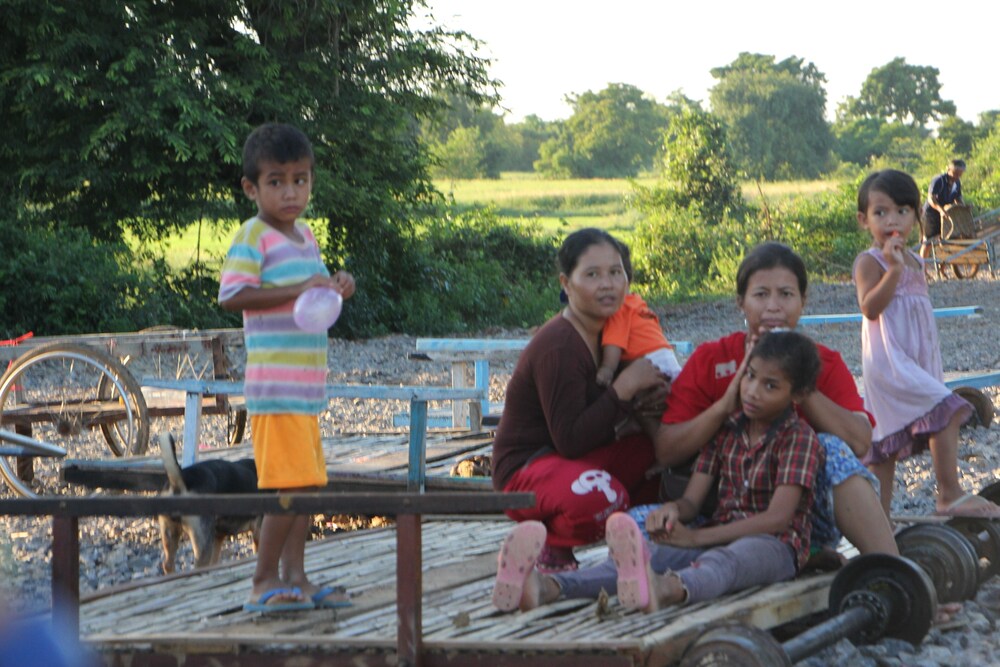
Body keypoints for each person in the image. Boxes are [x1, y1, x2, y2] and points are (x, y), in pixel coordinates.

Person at [493, 331, 823, 612]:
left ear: (798, 395)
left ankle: (665, 590)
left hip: (774, 546)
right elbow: (691, 502)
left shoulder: (798, 438)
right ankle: (548, 586)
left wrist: (695, 537)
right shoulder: (727, 431)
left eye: (770, 386)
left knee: (726, 562)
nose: (752, 391)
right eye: (749, 376)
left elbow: (777, 519)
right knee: (649, 555)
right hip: (717, 534)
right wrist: (672, 511)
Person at [652, 242, 899, 559]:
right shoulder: (711, 359)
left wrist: (796, 378)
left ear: (802, 301)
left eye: (785, 294)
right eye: (760, 295)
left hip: (800, 518)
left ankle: (892, 568)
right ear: (741, 302)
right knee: (638, 524)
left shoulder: (824, 362)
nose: (773, 307)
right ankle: (805, 559)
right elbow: (667, 451)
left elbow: (860, 442)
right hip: (715, 511)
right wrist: (725, 406)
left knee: (831, 448)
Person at [218, 122, 356, 612]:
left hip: (306, 389)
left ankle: (297, 579)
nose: (291, 192)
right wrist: (298, 289)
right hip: (275, 389)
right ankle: (262, 582)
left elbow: (311, 297)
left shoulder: (305, 237)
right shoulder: (253, 236)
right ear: (251, 188)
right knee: (288, 487)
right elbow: (232, 295)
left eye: (300, 180)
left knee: (309, 487)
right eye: (276, 182)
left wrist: (337, 285)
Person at [491, 228, 670, 574]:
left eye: (616, 272)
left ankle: (638, 544)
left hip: (574, 459)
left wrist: (648, 398)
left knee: (663, 463)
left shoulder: (612, 334)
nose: (608, 285)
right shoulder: (560, 345)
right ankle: (549, 543)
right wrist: (624, 389)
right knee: (604, 499)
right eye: (592, 275)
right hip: (527, 468)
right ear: (566, 283)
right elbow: (570, 439)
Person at [853, 169, 1000, 519]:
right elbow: (870, 308)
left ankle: (879, 520)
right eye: (881, 212)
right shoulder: (869, 262)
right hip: (889, 362)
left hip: (916, 360)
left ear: (916, 216)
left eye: (902, 211)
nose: (893, 220)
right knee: (942, 409)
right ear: (864, 220)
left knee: (888, 441)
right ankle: (949, 493)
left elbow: (917, 315)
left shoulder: (917, 261)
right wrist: (892, 270)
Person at [596, 242, 683, 388]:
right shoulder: (636, 302)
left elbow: (614, 344)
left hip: (649, 362)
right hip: (667, 358)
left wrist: (607, 369)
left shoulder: (618, 308)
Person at [920, 159, 966, 260]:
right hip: (931, 213)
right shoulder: (939, 180)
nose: (957, 176)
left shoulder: (957, 182)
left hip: (945, 214)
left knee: (946, 239)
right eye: (955, 173)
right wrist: (941, 210)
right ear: (948, 169)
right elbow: (931, 199)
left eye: (960, 174)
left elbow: (958, 198)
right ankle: (921, 265)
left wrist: (964, 208)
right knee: (928, 241)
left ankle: (943, 265)